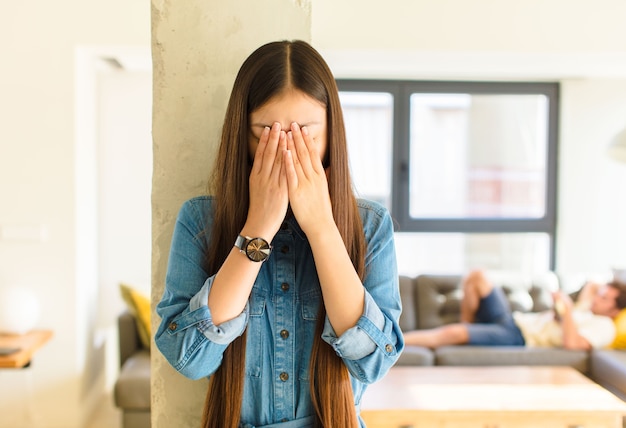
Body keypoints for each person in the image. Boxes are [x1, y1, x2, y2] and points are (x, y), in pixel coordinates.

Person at [155, 40, 404, 428]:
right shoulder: (201, 220)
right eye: (267, 133)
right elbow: (189, 358)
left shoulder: (369, 225)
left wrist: (321, 225)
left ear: (331, 132)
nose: (287, 151)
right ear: (243, 133)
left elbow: (373, 360)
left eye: (305, 133)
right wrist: (258, 229)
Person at [403, 270, 626, 350]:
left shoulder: (605, 326)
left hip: (519, 337)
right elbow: (593, 285)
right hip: (515, 319)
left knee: (454, 333)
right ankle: (469, 326)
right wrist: (561, 310)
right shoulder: (589, 308)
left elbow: (573, 344)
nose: (598, 298)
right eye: (601, 295)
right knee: (477, 277)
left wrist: (567, 312)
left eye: (605, 299)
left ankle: (395, 341)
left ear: (616, 310)